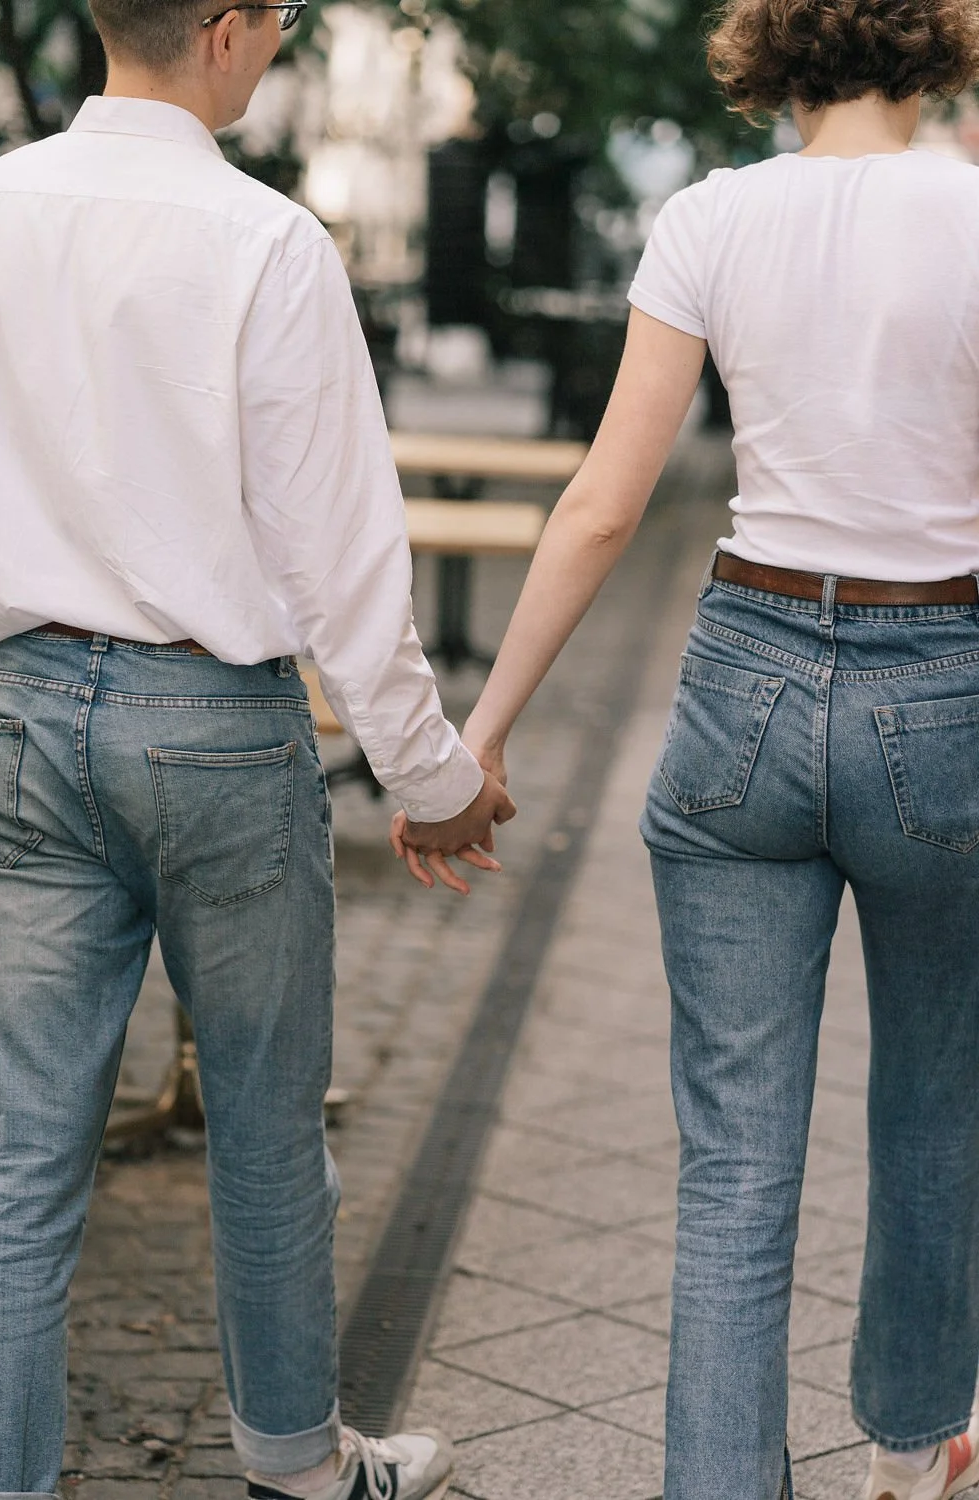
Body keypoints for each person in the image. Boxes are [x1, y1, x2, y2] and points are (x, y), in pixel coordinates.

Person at [395, 2, 979, 1496]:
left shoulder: (711, 217)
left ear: (776, 47)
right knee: (938, 1109)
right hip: (942, 681)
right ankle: (913, 1447)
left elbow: (603, 503)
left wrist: (477, 741)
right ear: (936, 43)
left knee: (732, 1159)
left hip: (745, 687)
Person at [0, 3, 516, 1498]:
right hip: (214, 724)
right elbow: (341, 560)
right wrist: (433, 779)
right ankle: (297, 1462)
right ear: (222, 31)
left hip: (22, 710)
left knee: (18, 1152)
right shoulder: (267, 243)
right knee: (269, 1134)